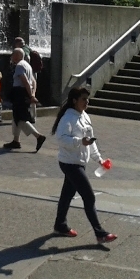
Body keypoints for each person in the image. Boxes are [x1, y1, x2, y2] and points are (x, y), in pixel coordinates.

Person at [51, 86, 116, 244]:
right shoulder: (68, 118)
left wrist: (99, 159)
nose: (87, 102)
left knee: (67, 194)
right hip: (69, 163)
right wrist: (80, 142)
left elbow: (90, 141)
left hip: (79, 162)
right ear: (74, 101)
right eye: (83, 99)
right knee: (89, 196)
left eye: (87, 99)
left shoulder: (85, 116)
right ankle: (99, 233)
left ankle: (60, 225)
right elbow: (61, 139)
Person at [4, 48, 47, 151]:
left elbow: (25, 81)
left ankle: (38, 136)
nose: (11, 56)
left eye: (13, 54)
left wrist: (31, 96)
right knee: (16, 117)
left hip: (20, 93)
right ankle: (16, 140)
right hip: (25, 93)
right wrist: (32, 94)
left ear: (17, 55)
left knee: (21, 118)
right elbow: (33, 82)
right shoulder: (27, 65)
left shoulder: (19, 66)